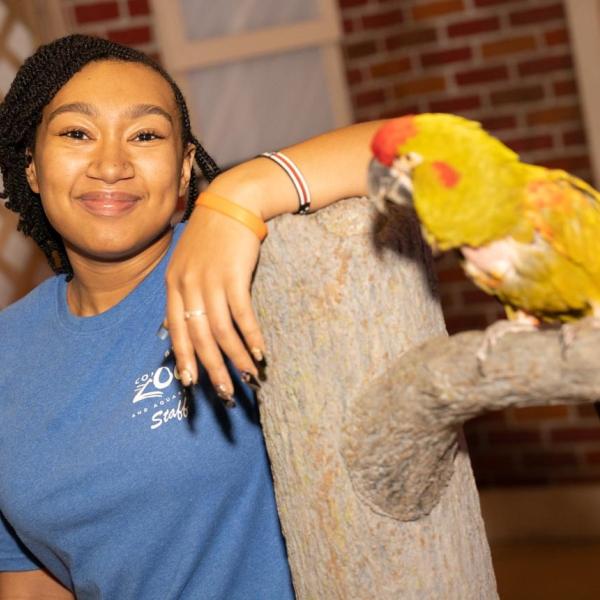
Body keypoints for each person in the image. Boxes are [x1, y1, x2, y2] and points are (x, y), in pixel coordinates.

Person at [0, 34, 382, 598]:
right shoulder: (9, 348)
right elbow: (32, 578)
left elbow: (431, 151)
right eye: (77, 133)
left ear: (183, 171)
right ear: (32, 168)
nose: (111, 165)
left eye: (145, 135)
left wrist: (238, 194)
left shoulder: (243, 263)